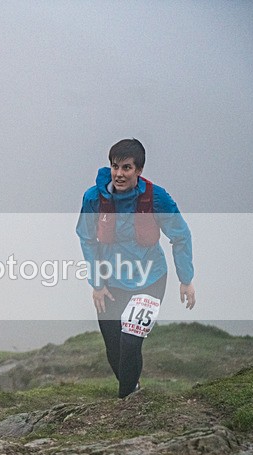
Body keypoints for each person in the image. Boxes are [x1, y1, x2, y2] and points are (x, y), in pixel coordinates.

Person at [76, 139, 196, 399]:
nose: (119, 174)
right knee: (114, 347)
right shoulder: (93, 198)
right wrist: (97, 284)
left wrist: (186, 279)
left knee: (130, 340)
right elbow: (86, 238)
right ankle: (134, 389)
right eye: (115, 166)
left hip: (151, 279)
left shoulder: (156, 198)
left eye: (127, 168)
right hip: (110, 280)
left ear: (139, 170)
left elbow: (181, 235)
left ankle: (125, 402)